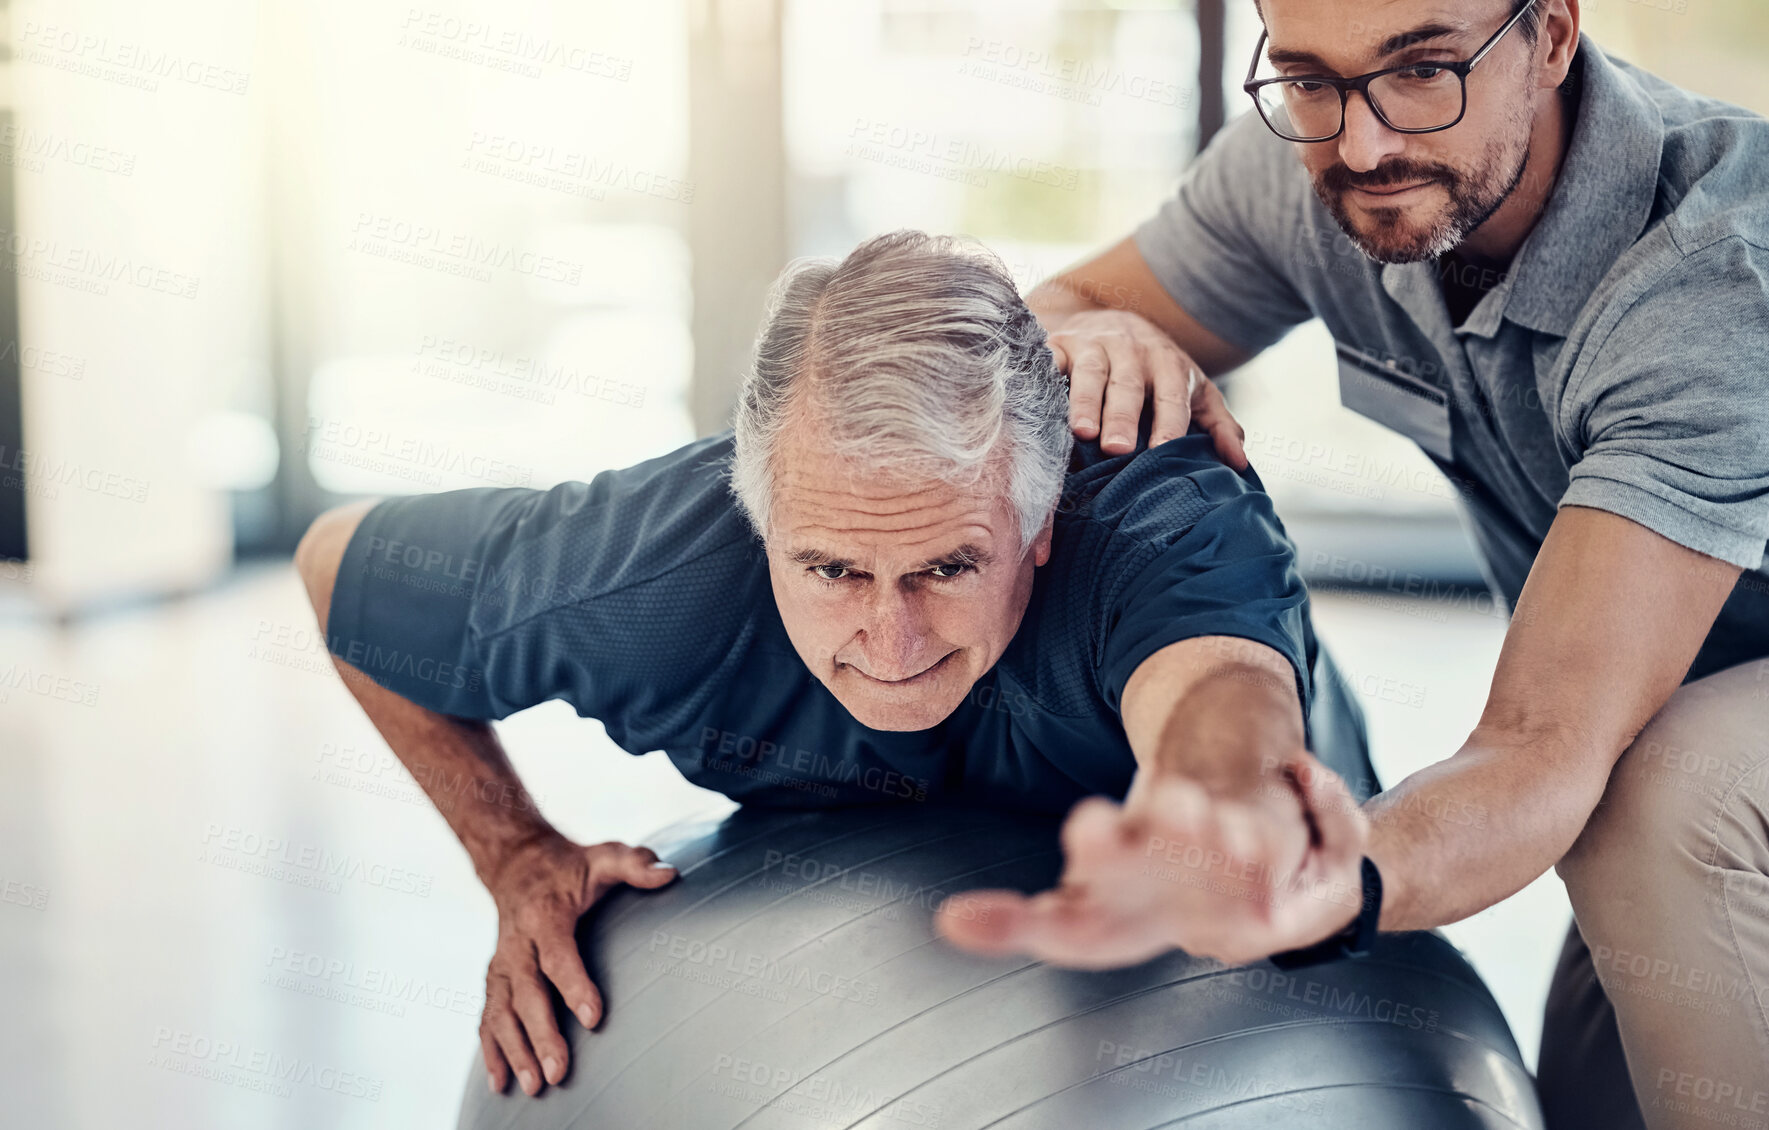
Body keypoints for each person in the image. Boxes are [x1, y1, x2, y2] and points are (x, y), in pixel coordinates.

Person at [294, 230, 1376, 1103]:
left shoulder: (1156, 511)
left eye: (948, 563)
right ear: (756, 518)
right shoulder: (646, 573)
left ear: (1042, 520)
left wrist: (1210, 802)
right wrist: (514, 852)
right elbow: (337, 567)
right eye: (831, 568)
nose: (892, 642)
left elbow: (1215, 690)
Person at [1031, 1, 1769, 1126]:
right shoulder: (1308, 167)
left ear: (1554, 35)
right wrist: (1093, 332)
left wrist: (1318, 873)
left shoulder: (1709, 283)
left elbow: (1536, 749)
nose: (1364, 144)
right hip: (1658, 703)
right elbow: (1054, 311)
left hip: (1677, 747)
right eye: (1309, 79)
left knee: (1656, 800)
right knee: (1596, 1097)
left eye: (1421, 70)